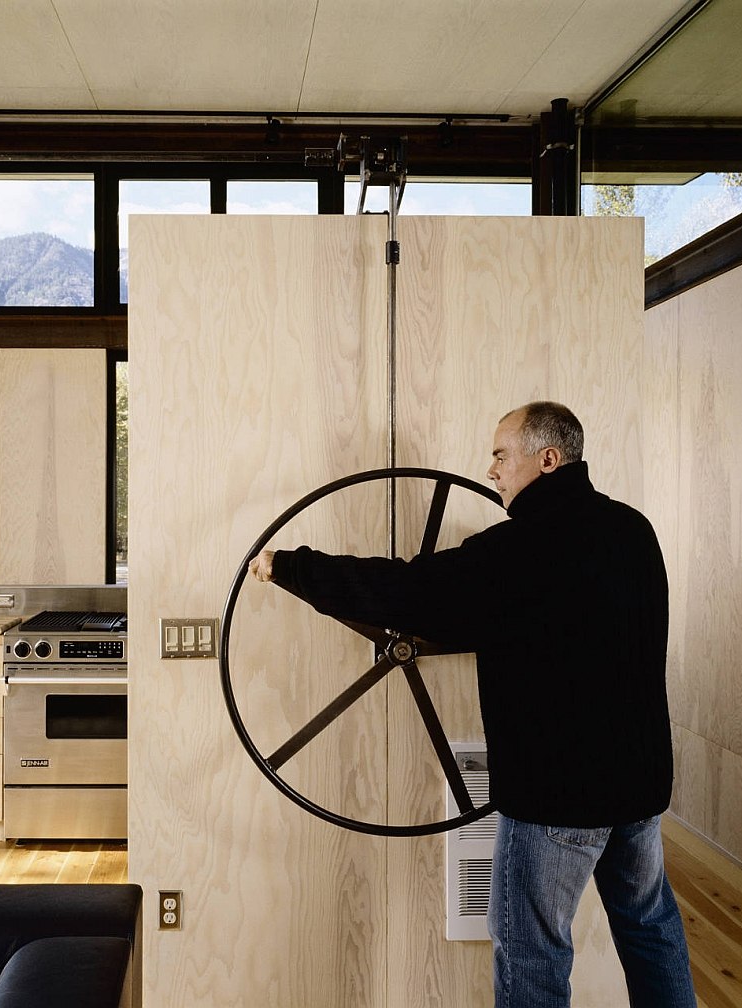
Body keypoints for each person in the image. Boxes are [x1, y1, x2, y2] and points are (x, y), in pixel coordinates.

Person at [249, 401, 696, 1008]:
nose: (492, 470)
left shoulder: (515, 551)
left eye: (501, 455)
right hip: (639, 792)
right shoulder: (634, 530)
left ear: (547, 458)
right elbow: (569, 626)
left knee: (533, 957)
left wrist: (291, 567)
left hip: (555, 803)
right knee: (651, 931)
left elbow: (404, 591)